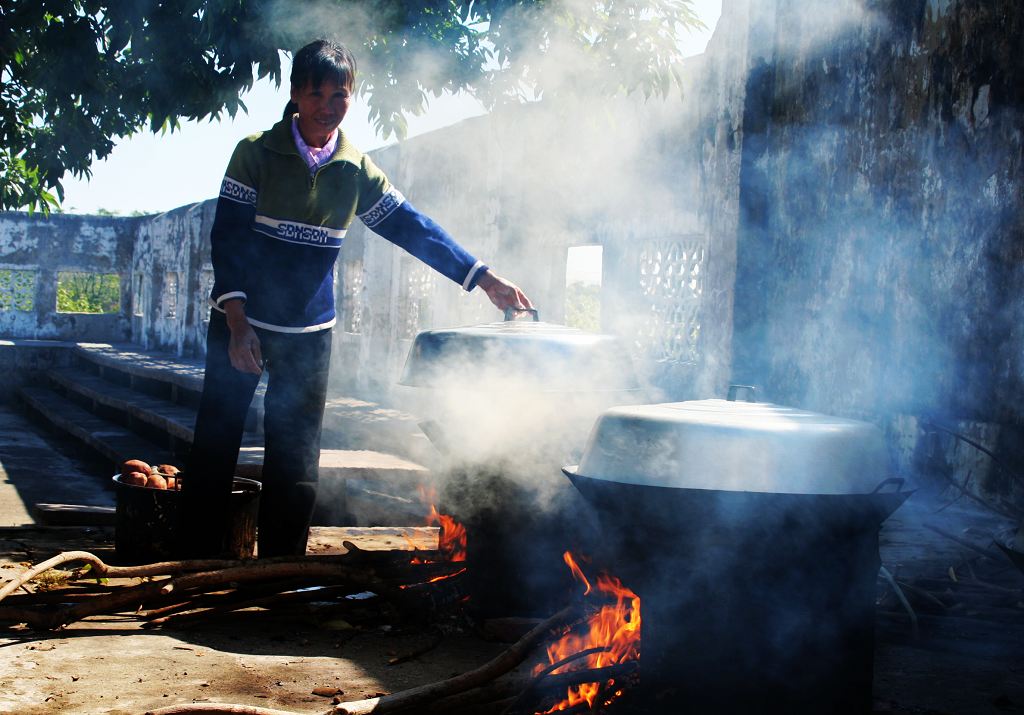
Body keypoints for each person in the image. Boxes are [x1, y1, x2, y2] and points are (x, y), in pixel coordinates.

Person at [178, 38, 532, 559]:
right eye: (316, 93)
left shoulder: (356, 169)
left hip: (309, 333)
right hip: (242, 324)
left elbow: (414, 229)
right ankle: (196, 561)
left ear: (352, 97)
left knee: (296, 457)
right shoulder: (255, 152)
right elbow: (227, 239)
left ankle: (282, 568)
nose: (328, 105)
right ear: (295, 93)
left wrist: (482, 277)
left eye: (339, 94)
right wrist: (236, 322)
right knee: (216, 440)